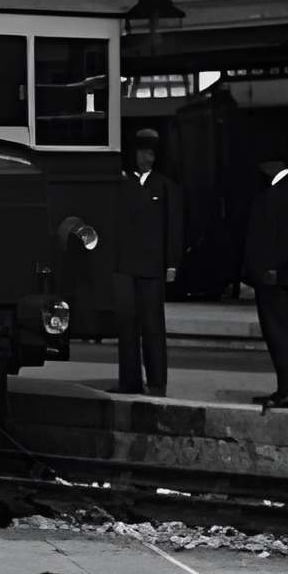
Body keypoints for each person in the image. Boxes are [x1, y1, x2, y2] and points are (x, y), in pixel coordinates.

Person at [109, 125, 181, 396]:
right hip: (125, 266)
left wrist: (172, 263)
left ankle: (157, 382)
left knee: (153, 326)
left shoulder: (164, 186)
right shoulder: (123, 185)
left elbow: (173, 228)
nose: (145, 158)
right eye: (141, 152)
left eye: (150, 153)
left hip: (152, 267)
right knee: (127, 327)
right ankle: (129, 381)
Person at [242, 155, 288, 410]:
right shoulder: (282, 188)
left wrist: (274, 268)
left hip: (279, 277)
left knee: (281, 333)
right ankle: (287, 388)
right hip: (273, 276)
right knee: (277, 333)